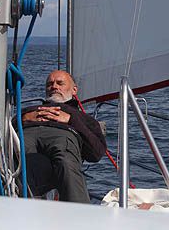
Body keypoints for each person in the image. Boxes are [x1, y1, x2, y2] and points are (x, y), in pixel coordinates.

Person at [21, 70, 106, 203]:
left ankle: (78, 215)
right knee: (19, 161)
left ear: (74, 90)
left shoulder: (82, 117)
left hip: (63, 136)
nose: (54, 86)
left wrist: (71, 120)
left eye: (60, 83)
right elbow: (8, 125)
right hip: (28, 134)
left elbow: (97, 152)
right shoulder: (30, 110)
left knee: (65, 162)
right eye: (50, 84)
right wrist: (23, 118)